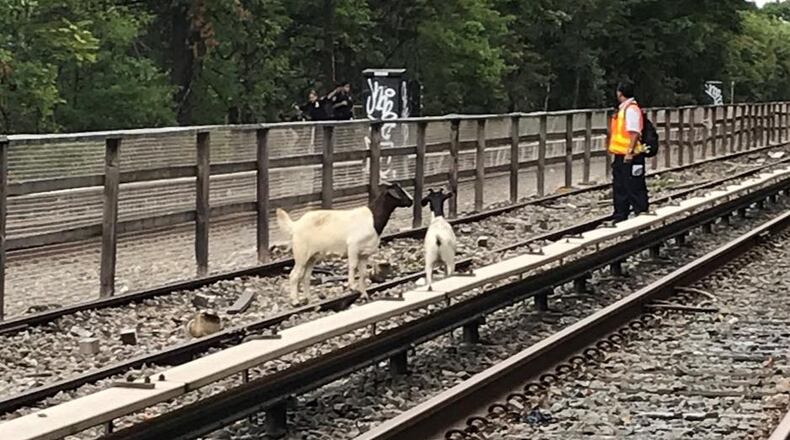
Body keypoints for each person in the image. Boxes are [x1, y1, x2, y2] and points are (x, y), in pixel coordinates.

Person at [608, 81, 649, 222]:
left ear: (620, 93)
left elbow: (634, 133)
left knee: (634, 187)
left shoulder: (630, 109)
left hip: (630, 156)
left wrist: (629, 152)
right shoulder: (623, 109)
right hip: (622, 154)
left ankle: (641, 215)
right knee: (621, 186)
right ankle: (620, 216)